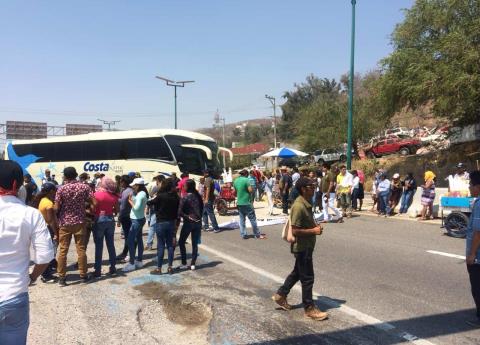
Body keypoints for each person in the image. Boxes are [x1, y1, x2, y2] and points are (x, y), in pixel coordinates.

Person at [0, 161, 55, 345]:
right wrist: (32, 277)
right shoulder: (30, 214)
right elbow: (45, 256)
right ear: (16, 185)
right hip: (14, 295)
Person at [272, 177, 328, 321]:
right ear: (303, 188)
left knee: (297, 272)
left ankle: (281, 295)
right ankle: (309, 308)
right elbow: (295, 230)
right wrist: (314, 231)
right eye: (311, 185)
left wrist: (314, 228)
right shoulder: (299, 206)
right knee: (308, 278)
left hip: (307, 246)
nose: (314, 187)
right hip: (302, 247)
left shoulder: (306, 203)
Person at [55, 167, 94, 286]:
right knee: (81, 249)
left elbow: (56, 208)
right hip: (80, 221)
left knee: (63, 250)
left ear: (65, 176)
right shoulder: (85, 187)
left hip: (65, 223)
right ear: (76, 175)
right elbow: (94, 202)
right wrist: (89, 210)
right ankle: (83, 275)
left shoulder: (61, 189)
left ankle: (62, 278)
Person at [148, 178, 179, 275]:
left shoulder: (160, 196)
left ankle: (159, 268)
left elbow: (149, 202)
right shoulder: (176, 197)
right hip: (171, 222)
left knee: (161, 245)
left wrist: (153, 199)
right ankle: (170, 267)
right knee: (170, 245)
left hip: (161, 222)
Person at [32, 182, 59, 282]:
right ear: (51, 191)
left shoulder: (42, 200)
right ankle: (46, 275)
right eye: (55, 190)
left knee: (48, 251)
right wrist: (56, 233)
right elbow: (50, 221)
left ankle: (50, 269)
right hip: (48, 229)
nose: (56, 192)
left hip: (42, 228)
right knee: (49, 251)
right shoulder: (48, 204)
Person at [93, 177, 119, 277]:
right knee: (111, 245)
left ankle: (98, 270)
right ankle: (113, 267)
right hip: (110, 219)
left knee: (99, 246)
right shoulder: (114, 196)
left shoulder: (97, 194)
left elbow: (93, 208)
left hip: (99, 219)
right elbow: (117, 210)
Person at [123, 178, 149, 272]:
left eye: (134, 185)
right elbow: (139, 204)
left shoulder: (140, 194)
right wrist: (133, 198)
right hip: (139, 219)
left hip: (136, 220)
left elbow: (137, 208)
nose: (132, 186)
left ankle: (132, 263)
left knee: (130, 241)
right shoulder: (142, 194)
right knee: (139, 239)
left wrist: (129, 200)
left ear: (138, 185)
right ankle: (139, 260)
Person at [177, 179, 204, 271]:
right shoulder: (198, 196)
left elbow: (179, 211)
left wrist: (187, 217)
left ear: (188, 187)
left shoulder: (185, 197)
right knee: (194, 243)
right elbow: (202, 209)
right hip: (198, 222)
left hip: (188, 223)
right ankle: (193, 263)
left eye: (184, 185)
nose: (183, 187)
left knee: (181, 242)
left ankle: (184, 263)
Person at [233, 170, 266, 240]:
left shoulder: (235, 181)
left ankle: (243, 234)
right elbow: (250, 190)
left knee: (242, 219)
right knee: (252, 219)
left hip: (239, 203)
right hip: (247, 202)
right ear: (246, 174)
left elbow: (234, 193)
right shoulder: (246, 180)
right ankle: (257, 234)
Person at [466, 171, 480, 327]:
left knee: (477, 287)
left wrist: (472, 254)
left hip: (477, 257)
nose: (469, 187)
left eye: (470, 185)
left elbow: (478, 232)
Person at [116, 175, 134, 261]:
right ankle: (127, 252)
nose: (120, 183)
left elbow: (122, 207)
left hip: (126, 216)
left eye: (121, 181)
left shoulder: (127, 191)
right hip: (129, 216)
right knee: (129, 236)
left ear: (124, 182)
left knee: (128, 236)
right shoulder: (127, 190)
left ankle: (126, 253)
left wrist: (119, 218)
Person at [145, 175, 164, 251]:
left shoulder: (156, 187)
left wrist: (147, 207)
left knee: (152, 227)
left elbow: (150, 199)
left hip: (156, 210)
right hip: (158, 210)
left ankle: (149, 244)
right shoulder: (158, 187)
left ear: (158, 181)